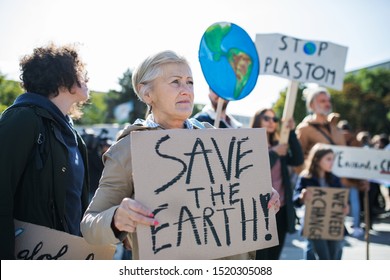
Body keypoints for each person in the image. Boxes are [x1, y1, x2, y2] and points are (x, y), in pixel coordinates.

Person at [80, 50, 281, 260]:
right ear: (147, 93)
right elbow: (89, 226)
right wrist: (116, 219)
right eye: (175, 82)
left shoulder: (215, 138)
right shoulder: (129, 148)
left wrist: (265, 197)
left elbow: (239, 199)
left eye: (190, 82)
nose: (186, 90)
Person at [0, 43, 90, 259]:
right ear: (62, 77)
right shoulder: (22, 119)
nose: (87, 77)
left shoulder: (74, 136)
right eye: (81, 70)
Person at [295, 86, 368, 257]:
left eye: (328, 101)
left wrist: (358, 182)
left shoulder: (336, 129)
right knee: (314, 246)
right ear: (312, 105)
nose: (327, 104)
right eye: (322, 101)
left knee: (336, 245)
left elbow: (344, 162)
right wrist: (311, 177)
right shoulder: (304, 129)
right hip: (317, 193)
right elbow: (298, 162)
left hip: (336, 190)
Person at [250, 108, 304, 259]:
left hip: (281, 208)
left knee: (273, 258)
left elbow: (298, 160)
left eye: (274, 119)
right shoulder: (250, 143)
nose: (271, 122)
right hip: (260, 211)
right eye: (266, 118)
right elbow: (254, 170)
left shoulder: (278, 144)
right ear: (257, 120)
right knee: (259, 258)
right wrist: (274, 153)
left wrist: (291, 132)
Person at [293, 143, 349, 260]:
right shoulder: (305, 178)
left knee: (334, 254)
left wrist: (345, 207)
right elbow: (296, 200)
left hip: (333, 225)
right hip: (314, 224)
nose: (332, 162)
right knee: (320, 256)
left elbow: (342, 199)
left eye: (333, 159)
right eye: (328, 159)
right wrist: (302, 196)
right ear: (317, 160)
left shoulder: (335, 179)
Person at [337, 120, 365, 238]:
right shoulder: (356, 141)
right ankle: (356, 225)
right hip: (352, 178)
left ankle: (339, 227)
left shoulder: (336, 138)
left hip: (340, 177)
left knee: (339, 203)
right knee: (355, 203)